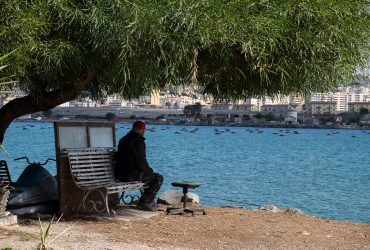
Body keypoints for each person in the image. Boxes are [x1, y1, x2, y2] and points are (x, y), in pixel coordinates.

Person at [115, 121, 163, 211]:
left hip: (120, 174)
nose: (143, 132)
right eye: (143, 130)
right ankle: (144, 203)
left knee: (150, 176)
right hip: (129, 175)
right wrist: (150, 172)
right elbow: (142, 162)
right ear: (141, 130)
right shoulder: (137, 142)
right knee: (158, 178)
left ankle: (147, 201)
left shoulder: (123, 139)